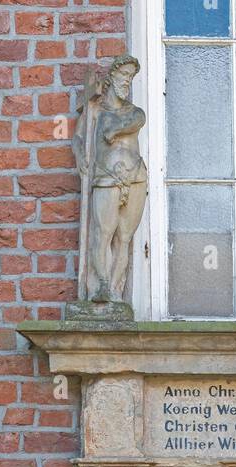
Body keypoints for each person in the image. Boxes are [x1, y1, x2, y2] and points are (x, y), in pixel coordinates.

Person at [74, 55, 148, 305]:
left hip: (135, 176)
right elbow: (78, 138)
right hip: (106, 177)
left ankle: (116, 291)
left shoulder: (134, 112)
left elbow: (136, 121)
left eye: (131, 77)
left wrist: (114, 131)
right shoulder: (95, 112)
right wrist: (79, 156)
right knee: (103, 234)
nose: (127, 81)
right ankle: (100, 285)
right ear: (111, 77)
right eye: (124, 75)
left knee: (124, 238)